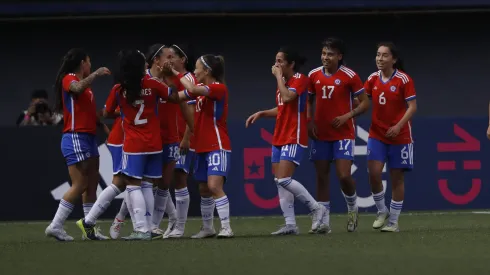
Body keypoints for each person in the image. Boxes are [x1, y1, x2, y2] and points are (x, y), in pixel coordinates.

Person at [77, 49, 180, 241]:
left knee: (132, 186)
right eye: (144, 63)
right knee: (146, 185)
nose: (147, 65)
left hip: (133, 144)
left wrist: (124, 110)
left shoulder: (119, 89)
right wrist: (170, 79)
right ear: (139, 67)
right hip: (155, 143)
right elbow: (173, 97)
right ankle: (146, 228)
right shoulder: (153, 84)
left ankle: (140, 229)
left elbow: (107, 112)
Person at [245, 47, 326, 235]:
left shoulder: (300, 80)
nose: (276, 64)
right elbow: (282, 108)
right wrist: (263, 113)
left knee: (284, 178)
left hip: (294, 135)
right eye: (276, 60)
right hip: (279, 136)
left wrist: (278, 77)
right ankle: (290, 224)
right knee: (279, 180)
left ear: (291, 64)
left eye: (280, 61)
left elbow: (288, 97)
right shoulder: (284, 82)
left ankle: (317, 208)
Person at [45, 48, 110, 241]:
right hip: (75, 137)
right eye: (89, 62)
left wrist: (105, 130)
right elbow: (76, 88)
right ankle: (55, 226)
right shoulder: (69, 78)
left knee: (92, 184)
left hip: (89, 138)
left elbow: (90, 115)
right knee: (80, 183)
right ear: (83, 63)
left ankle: (89, 229)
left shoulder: (87, 89)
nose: (90, 65)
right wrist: (97, 73)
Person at [307, 38, 370, 233]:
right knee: (322, 176)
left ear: (339, 56)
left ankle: (352, 208)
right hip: (321, 134)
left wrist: (347, 116)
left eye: (330, 54)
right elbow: (308, 101)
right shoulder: (313, 75)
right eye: (324, 53)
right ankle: (323, 222)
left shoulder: (350, 76)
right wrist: (309, 122)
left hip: (343, 133)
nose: (326, 57)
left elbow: (365, 103)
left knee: (343, 175)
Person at [170, 54, 234, 238]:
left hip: (217, 144)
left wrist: (176, 72)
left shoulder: (218, 88)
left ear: (207, 71)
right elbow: (176, 97)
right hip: (202, 146)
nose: (195, 71)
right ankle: (208, 228)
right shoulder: (200, 91)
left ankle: (227, 227)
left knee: (214, 186)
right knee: (204, 189)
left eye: (197, 68)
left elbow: (190, 87)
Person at [364, 42, 417, 232]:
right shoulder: (372, 79)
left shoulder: (403, 80)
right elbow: (362, 100)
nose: (380, 59)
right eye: (378, 55)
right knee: (374, 172)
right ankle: (381, 210)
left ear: (393, 59)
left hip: (400, 136)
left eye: (384, 55)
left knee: (397, 178)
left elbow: (412, 107)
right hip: (377, 134)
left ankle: (393, 222)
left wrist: (398, 126)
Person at [160, 44, 198, 239]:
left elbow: (191, 111)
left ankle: (180, 227)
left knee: (179, 179)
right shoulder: (168, 78)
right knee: (164, 180)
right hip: (170, 138)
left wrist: (186, 137)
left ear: (182, 60)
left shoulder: (188, 79)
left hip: (184, 138)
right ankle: (173, 221)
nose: (169, 59)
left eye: (172, 56)